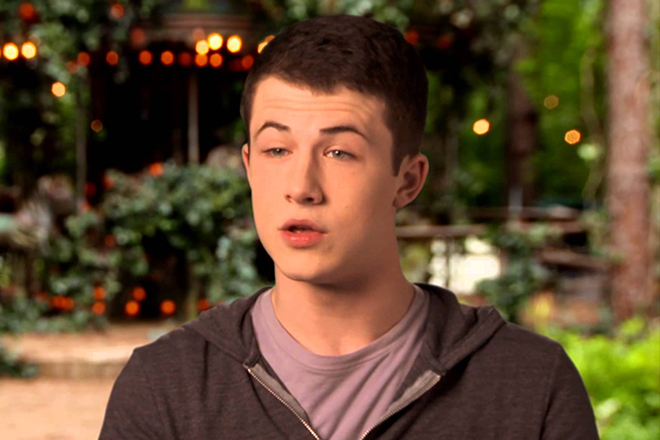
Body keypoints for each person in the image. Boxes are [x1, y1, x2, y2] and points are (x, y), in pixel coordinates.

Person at [99, 14, 599, 440]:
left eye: (339, 152)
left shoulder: (530, 386)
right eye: (277, 149)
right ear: (249, 167)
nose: (302, 187)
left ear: (407, 180)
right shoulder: (165, 388)